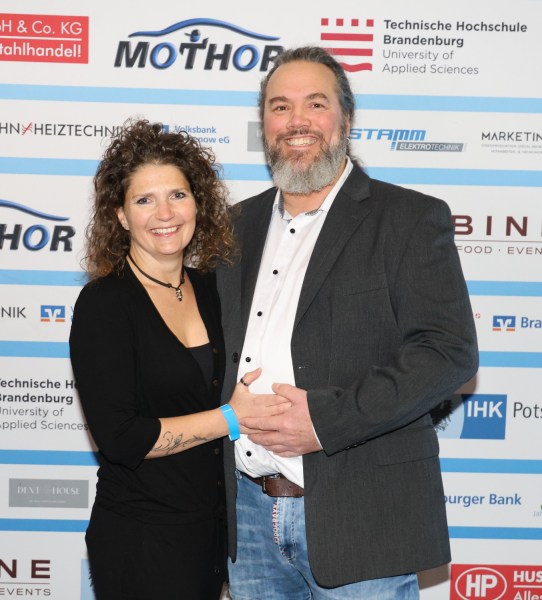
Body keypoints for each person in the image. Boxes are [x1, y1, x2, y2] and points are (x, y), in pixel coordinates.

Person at [216, 47, 479, 599]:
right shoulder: (234, 226)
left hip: (364, 516)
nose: (297, 121)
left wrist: (324, 422)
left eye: (316, 104)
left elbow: (447, 351)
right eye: (280, 107)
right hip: (247, 519)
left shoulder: (407, 218)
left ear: (346, 119)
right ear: (264, 124)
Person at [69, 119, 289, 600]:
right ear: (120, 215)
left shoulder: (214, 289)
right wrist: (232, 417)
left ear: (197, 203)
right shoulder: (105, 304)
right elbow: (121, 438)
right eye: (144, 200)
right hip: (141, 538)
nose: (164, 213)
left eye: (177, 195)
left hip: (217, 536)